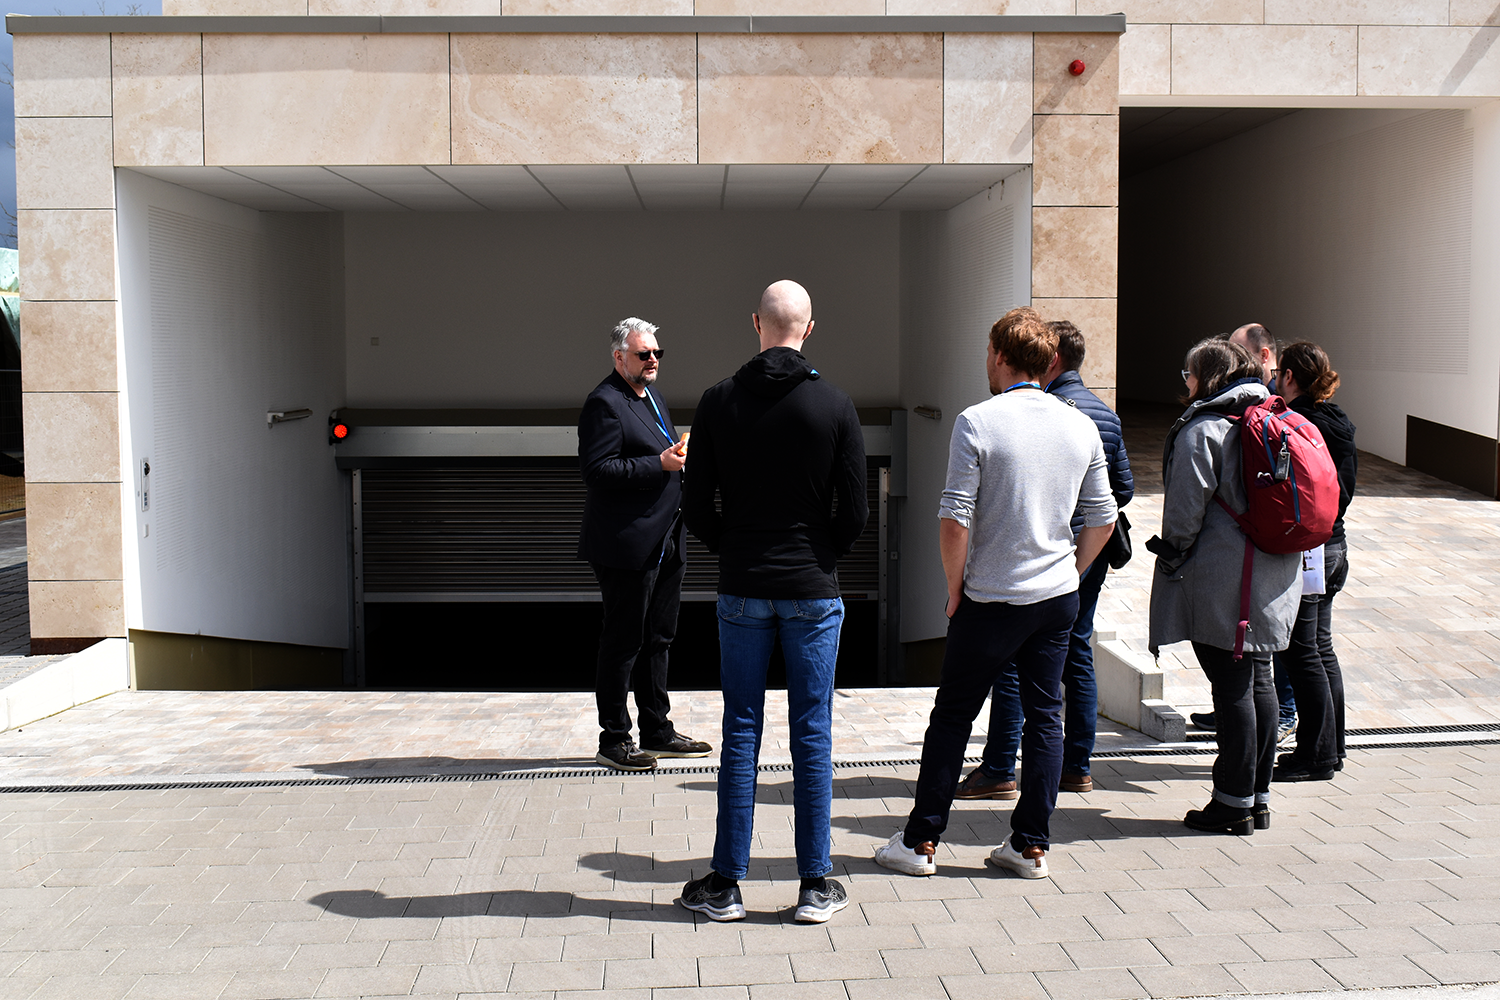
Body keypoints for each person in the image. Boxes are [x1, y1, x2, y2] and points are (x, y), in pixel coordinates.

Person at [875, 308, 1116, 881]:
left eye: (988, 351)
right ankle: (1030, 846)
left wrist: (954, 588)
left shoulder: (978, 421)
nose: (986, 360)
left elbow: (954, 517)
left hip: (990, 596)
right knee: (1045, 718)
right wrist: (1071, 572)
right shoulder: (1078, 424)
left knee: (953, 718)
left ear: (1002, 356)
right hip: (1055, 597)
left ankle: (920, 842)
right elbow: (1103, 517)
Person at [678, 280, 868, 924]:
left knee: (741, 729)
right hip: (812, 589)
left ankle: (726, 884)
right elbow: (855, 511)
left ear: (755, 324)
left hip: (743, 586)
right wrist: (821, 555)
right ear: (809, 330)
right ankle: (815, 884)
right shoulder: (835, 404)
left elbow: (695, 504)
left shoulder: (717, 402)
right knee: (812, 732)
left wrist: (732, 547)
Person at [955, 320, 1133, 801]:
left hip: (1042, 557)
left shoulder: (1036, 414)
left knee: (1014, 667)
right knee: (1078, 653)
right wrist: (1076, 564)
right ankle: (1077, 767)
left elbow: (959, 511)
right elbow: (1121, 493)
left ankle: (999, 768)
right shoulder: (1104, 415)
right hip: (1082, 559)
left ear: (1049, 358)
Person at [1147, 338, 1301, 835]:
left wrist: (1171, 554)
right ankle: (1256, 798)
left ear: (1207, 377)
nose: (1186, 382)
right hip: (1272, 571)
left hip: (1225, 577)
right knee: (1260, 681)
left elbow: (1184, 513)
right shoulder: (1275, 416)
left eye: (1188, 373)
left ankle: (1232, 805)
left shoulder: (1205, 428)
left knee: (1233, 687)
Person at [577, 318, 712, 772]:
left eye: (657, 352)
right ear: (620, 358)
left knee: (659, 638)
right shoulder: (604, 402)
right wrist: (659, 463)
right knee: (623, 641)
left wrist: (677, 455)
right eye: (643, 354)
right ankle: (614, 739)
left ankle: (657, 729)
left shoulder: (653, 396)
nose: (653, 360)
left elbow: (661, 456)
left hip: (667, 535)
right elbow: (597, 471)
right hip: (627, 544)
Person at [1272, 342, 1357, 782]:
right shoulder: (1337, 420)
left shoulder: (1300, 425)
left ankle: (1315, 756)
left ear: (1288, 376)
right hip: (1336, 545)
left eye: (1278, 373)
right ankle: (1331, 749)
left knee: (1301, 653)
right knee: (1320, 649)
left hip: (1312, 549)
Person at [1223, 322, 1298, 745]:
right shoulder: (1252, 403)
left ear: (1264, 355)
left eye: (1239, 352)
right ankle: (1237, 711)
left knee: (1272, 649)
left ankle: (1282, 715)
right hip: (1260, 543)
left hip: (1275, 541)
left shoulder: (1273, 409)